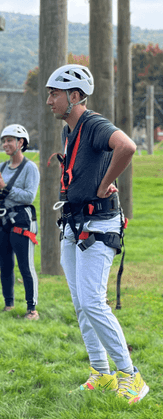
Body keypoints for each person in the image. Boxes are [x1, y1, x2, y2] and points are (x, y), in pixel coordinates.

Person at [46, 64, 148, 402]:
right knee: (81, 304)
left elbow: (127, 146)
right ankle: (101, 374)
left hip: (97, 225)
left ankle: (131, 377)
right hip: (74, 225)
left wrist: (105, 184)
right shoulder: (71, 132)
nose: (49, 101)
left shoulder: (94, 124)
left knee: (92, 301)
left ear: (74, 96)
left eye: (54, 94)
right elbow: (86, 162)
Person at [0, 125, 40, 320]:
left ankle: (32, 310)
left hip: (22, 222)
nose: (5, 144)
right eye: (4, 140)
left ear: (21, 143)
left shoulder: (30, 168)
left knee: (26, 266)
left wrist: (4, 187)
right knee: (5, 265)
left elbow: (29, 197)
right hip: (0, 222)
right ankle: (9, 304)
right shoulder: (0, 167)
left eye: (9, 140)